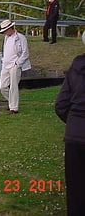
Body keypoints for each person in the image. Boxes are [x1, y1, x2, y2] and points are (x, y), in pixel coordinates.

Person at [55, 31, 85, 216]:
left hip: (75, 135)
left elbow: (61, 105)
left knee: (76, 188)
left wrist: (74, 123)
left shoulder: (77, 65)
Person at [0, 19, 31, 114]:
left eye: (6, 30)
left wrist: (17, 64)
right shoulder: (6, 38)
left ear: (11, 28)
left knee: (13, 86)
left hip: (14, 65)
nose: (5, 32)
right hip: (6, 65)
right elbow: (5, 50)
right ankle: (11, 103)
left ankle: (14, 108)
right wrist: (3, 60)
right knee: (2, 86)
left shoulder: (21, 37)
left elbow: (25, 53)